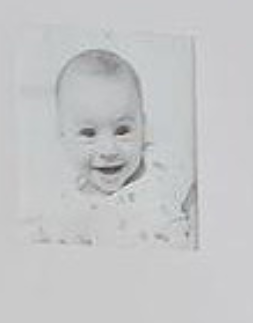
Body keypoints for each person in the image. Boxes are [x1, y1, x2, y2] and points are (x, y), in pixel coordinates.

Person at [25, 47, 198, 249]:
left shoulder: (163, 167)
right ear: (62, 135)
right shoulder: (66, 209)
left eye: (122, 130)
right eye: (89, 133)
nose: (109, 150)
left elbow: (196, 199)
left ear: (143, 126)